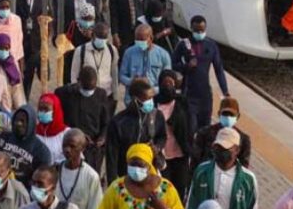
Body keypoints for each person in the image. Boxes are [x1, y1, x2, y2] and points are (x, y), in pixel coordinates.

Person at [88, 144, 190, 209]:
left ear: (149, 166)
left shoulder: (166, 188)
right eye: (133, 165)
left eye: (140, 165)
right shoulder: (117, 188)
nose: (136, 169)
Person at [185, 128, 258, 209]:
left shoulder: (248, 180)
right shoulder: (201, 172)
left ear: (237, 150)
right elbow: (190, 206)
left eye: (226, 148)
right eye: (218, 147)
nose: (221, 151)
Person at [173, 16, 230, 135]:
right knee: (191, 127)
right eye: (196, 30)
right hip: (189, 93)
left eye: (202, 30)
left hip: (205, 95)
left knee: (205, 129)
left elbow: (218, 69)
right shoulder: (183, 44)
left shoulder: (211, 45)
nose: (200, 33)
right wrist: (187, 66)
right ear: (191, 28)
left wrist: (225, 91)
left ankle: (203, 152)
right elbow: (173, 64)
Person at [105, 79, 167, 184]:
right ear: (135, 99)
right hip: (126, 176)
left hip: (150, 175)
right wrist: (113, 184)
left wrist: (157, 147)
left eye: (152, 97)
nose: (151, 101)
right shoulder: (118, 122)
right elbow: (111, 157)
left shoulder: (157, 116)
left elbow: (162, 137)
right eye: (148, 98)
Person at [54, 68, 112, 174]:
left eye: (92, 89)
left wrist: (103, 137)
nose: (88, 92)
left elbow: (106, 122)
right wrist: (78, 135)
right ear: (78, 81)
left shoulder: (101, 95)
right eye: (86, 88)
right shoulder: (64, 94)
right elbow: (58, 120)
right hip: (72, 145)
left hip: (92, 147)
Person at [155, 69, 197, 198]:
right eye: (165, 82)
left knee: (179, 189)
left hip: (180, 153)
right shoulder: (153, 102)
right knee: (164, 190)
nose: (167, 85)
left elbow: (191, 125)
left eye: (170, 82)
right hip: (162, 156)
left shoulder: (182, 103)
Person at [0, 105, 52, 186]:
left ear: (31, 123)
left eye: (23, 121)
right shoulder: (4, 137)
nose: (18, 124)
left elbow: (42, 179)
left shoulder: (41, 151)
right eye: (16, 120)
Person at [54, 130, 102, 209]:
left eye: (72, 146)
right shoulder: (54, 171)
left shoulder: (91, 176)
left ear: (82, 148)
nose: (67, 150)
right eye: (64, 146)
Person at [14, 0, 50, 99]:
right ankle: (24, 102)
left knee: (45, 77)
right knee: (26, 78)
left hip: (38, 44)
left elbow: (49, 19)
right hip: (23, 44)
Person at [191, 97, 252, 171]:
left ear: (238, 116)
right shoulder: (204, 133)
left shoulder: (244, 140)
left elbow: (243, 166)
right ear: (219, 114)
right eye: (225, 114)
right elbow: (195, 160)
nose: (228, 117)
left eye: (231, 115)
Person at [118, 24, 172, 101]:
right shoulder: (129, 53)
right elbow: (122, 76)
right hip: (133, 100)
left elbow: (167, 82)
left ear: (151, 38)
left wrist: (153, 90)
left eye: (142, 40)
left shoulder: (163, 55)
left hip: (155, 99)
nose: (139, 43)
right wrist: (132, 81)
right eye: (137, 40)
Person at [68, 22, 118, 97]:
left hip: (106, 94)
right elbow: (74, 75)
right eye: (100, 37)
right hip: (87, 94)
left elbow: (114, 73)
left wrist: (115, 95)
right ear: (93, 36)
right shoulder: (81, 50)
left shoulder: (112, 50)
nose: (102, 40)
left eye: (104, 37)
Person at [34, 93, 70, 163]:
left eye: (46, 109)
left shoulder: (67, 134)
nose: (42, 112)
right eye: (40, 109)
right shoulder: (33, 132)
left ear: (55, 110)